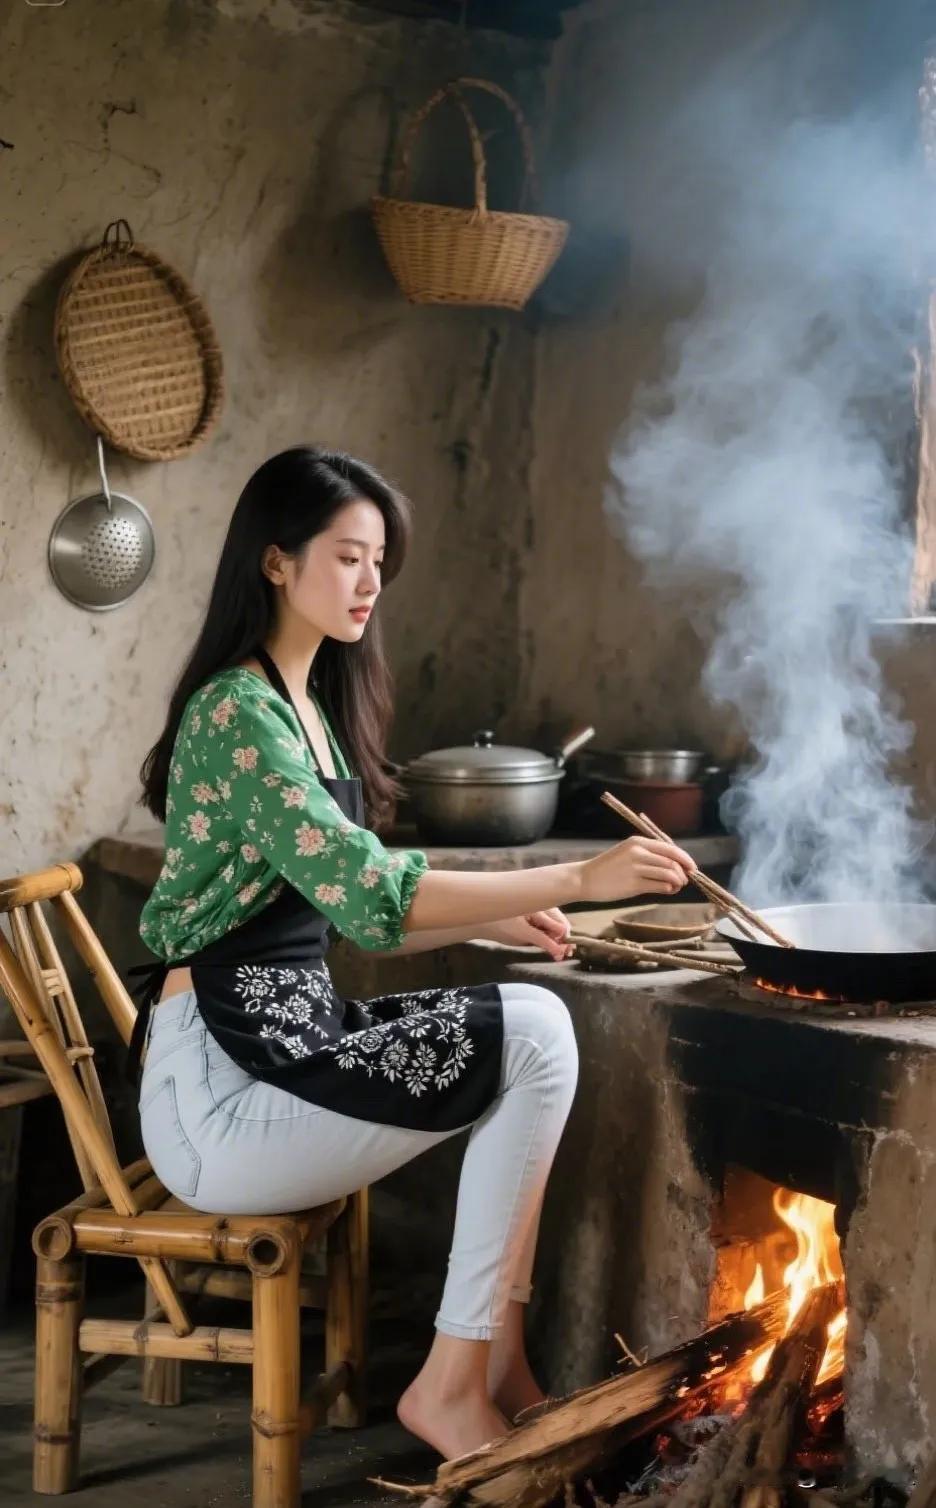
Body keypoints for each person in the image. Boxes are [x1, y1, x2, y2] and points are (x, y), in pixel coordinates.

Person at [131, 445, 695, 1466]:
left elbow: (344, 911)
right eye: (347, 556)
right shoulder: (238, 713)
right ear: (274, 562)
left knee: (533, 1027)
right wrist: (570, 879)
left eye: (379, 560)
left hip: (284, 1041)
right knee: (531, 1032)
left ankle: (492, 1363)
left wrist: (482, 924)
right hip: (220, 1086)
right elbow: (371, 895)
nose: (369, 582)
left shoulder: (306, 711)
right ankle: (451, 1380)